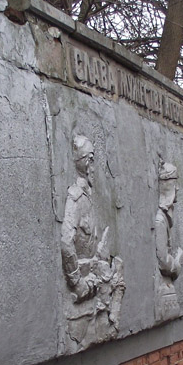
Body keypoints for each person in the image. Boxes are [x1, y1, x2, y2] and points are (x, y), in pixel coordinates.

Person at [60, 135, 125, 348]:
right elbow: (66, 243)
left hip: (94, 292)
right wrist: (77, 282)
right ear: (88, 163)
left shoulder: (88, 198)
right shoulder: (76, 199)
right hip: (82, 298)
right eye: (93, 160)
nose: (96, 166)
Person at [154, 162, 183, 320]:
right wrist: (177, 263)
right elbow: (163, 261)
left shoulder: (165, 219)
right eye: (175, 183)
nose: (178, 188)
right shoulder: (160, 221)